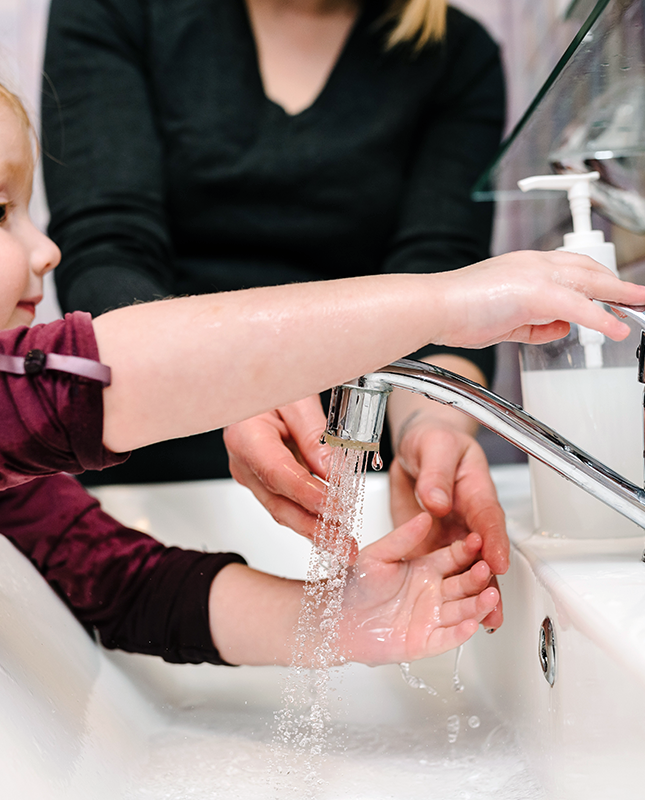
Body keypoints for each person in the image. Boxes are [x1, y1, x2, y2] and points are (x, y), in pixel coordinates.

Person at [0, 24, 645, 671]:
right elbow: (80, 379)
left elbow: (110, 581)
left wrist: (337, 618)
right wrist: (441, 302)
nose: (45, 248)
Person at [41, 0, 515, 613]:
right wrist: (235, 383)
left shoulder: (455, 55)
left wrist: (434, 426)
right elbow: (107, 255)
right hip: (154, 475)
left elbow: (440, 289)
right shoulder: (115, 11)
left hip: (355, 483)